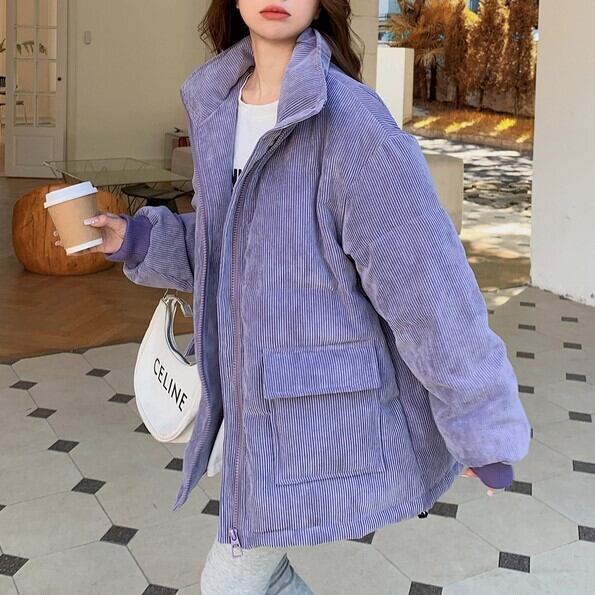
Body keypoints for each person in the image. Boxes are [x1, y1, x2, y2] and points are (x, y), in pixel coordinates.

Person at [54, 1, 531, 593]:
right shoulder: (218, 107)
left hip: (314, 413)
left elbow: (426, 284)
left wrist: (481, 423)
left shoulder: (351, 121)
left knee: (229, 583)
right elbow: (230, 244)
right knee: (252, 578)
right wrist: (137, 239)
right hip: (244, 400)